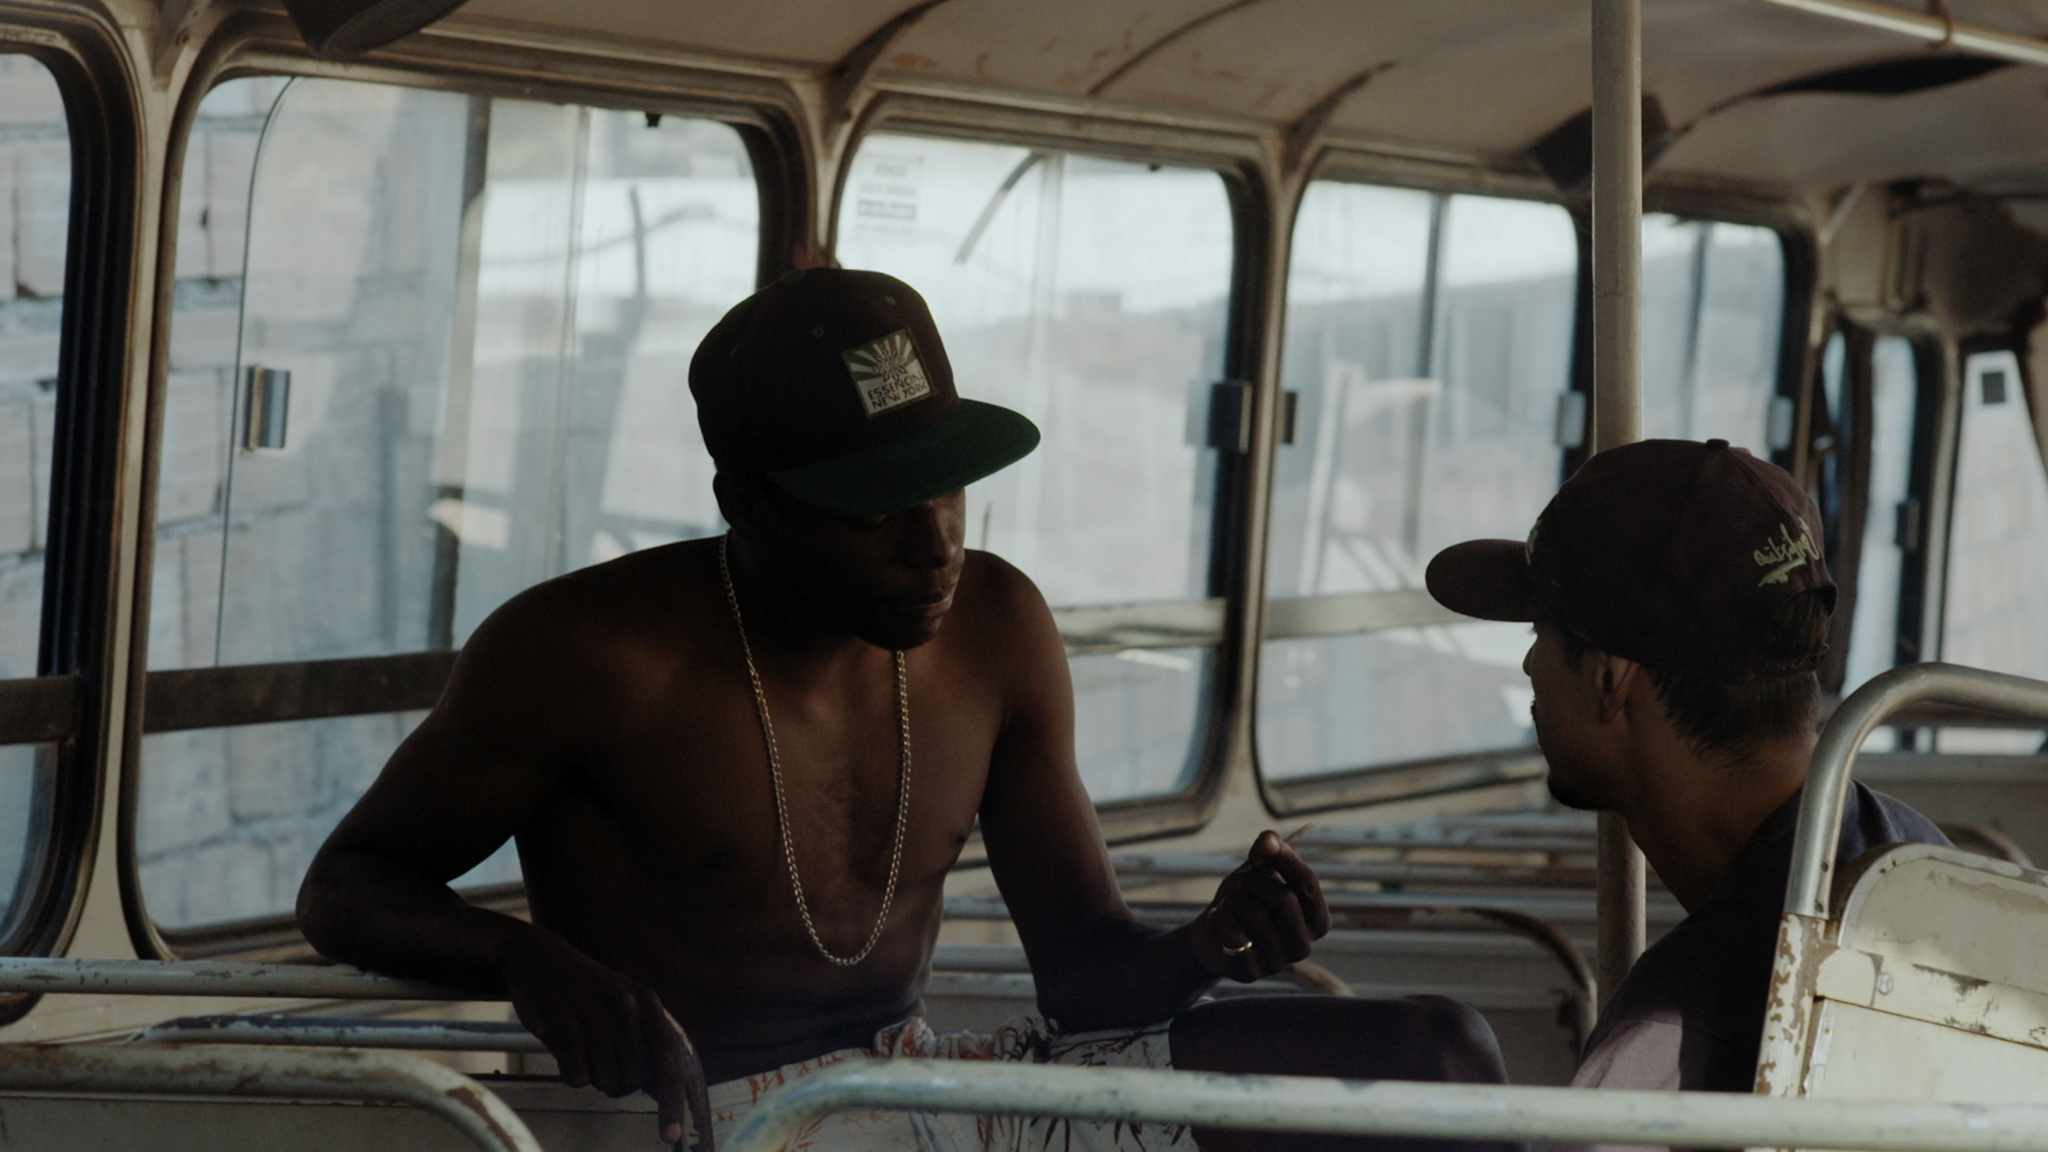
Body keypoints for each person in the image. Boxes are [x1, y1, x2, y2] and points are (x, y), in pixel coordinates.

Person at [299, 268, 1510, 1152]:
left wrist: (1211, 945)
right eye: (876, 507)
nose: (933, 545)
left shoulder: (995, 625)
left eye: (948, 489)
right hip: (736, 1122)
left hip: (942, 1085)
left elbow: (1083, 981)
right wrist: (525, 958)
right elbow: (347, 885)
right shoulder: (591, 654)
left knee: (1434, 1057)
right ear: (748, 502)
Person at [1424, 438, 1947, 1097]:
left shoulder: (1672, 1041)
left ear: (1609, 681)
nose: (1530, 665)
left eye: (1540, 634)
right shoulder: (1919, 859)